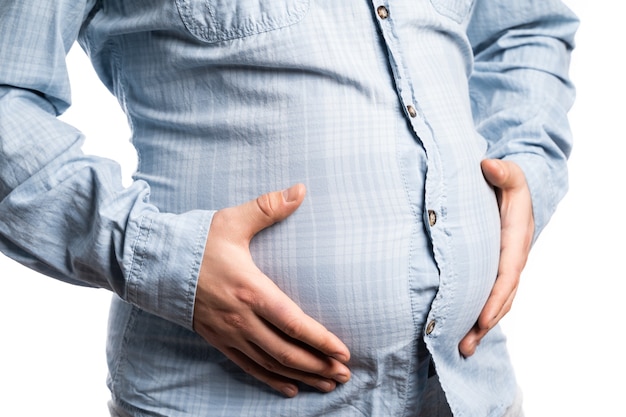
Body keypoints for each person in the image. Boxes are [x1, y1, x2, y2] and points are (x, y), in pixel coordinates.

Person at [0, 1, 578, 416]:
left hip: (471, 389)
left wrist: (526, 158)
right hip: (222, 400)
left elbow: (525, 27)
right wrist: (158, 257)